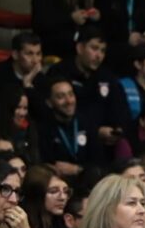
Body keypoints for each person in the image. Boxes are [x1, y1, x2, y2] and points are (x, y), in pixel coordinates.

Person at [45, 25, 129, 158]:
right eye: (94, 48)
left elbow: (121, 109)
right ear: (80, 48)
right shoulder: (59, 72)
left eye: (102, 51)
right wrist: (95, 131)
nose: (99, 55)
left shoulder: (107, 77)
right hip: (66, 144)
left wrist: (117, 130)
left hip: (103, 148)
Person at [0, 32, 48, 120]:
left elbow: (43, 115)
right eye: (29, 54)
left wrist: (28, 86)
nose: (35, 60)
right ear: (15, 55)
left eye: (38, 54)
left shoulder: (40, 78)